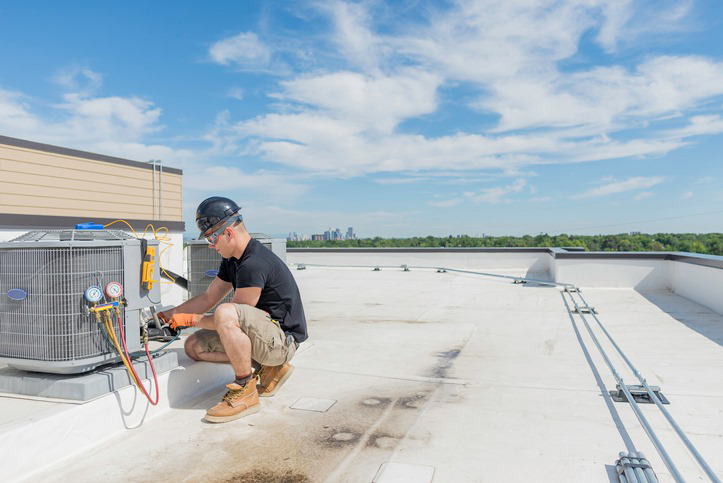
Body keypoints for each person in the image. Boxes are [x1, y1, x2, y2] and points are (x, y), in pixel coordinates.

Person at [159, 196, 308, 423]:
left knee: (226, 312)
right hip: (264, 337)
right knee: (194, 346)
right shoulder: (233, 260)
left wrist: (189, 320)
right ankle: (270, 369)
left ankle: (245, 388)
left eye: (211, 238)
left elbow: (230, 318)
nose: (211, 245)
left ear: (228, 233)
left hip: (281, 343)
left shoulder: (253, 263)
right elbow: (209, 297)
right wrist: (168, 316)